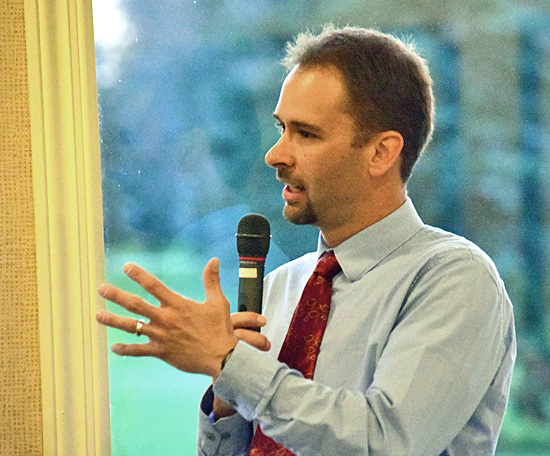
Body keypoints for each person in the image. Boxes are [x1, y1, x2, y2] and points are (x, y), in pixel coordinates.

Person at [96, 25, 516, 455]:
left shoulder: (455, 279)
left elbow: (385, 442)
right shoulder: (278, 288)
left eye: (306, 133)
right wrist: (225, 399)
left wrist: (230, 363)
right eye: (281, 128)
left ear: (381, 153)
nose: (274, 155)